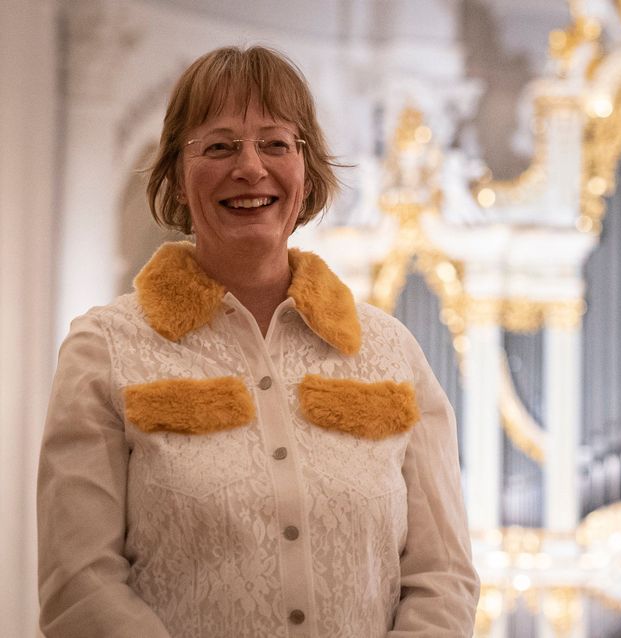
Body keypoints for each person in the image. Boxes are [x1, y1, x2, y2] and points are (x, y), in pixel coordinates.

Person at [37, 45, 479, 637]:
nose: (250, 168)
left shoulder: (391, 352)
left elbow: (443, 576)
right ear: (174, 172)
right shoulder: (105, 349)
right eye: (219, 146)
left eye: (275, 143)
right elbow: (79, 583)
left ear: (307, 168)